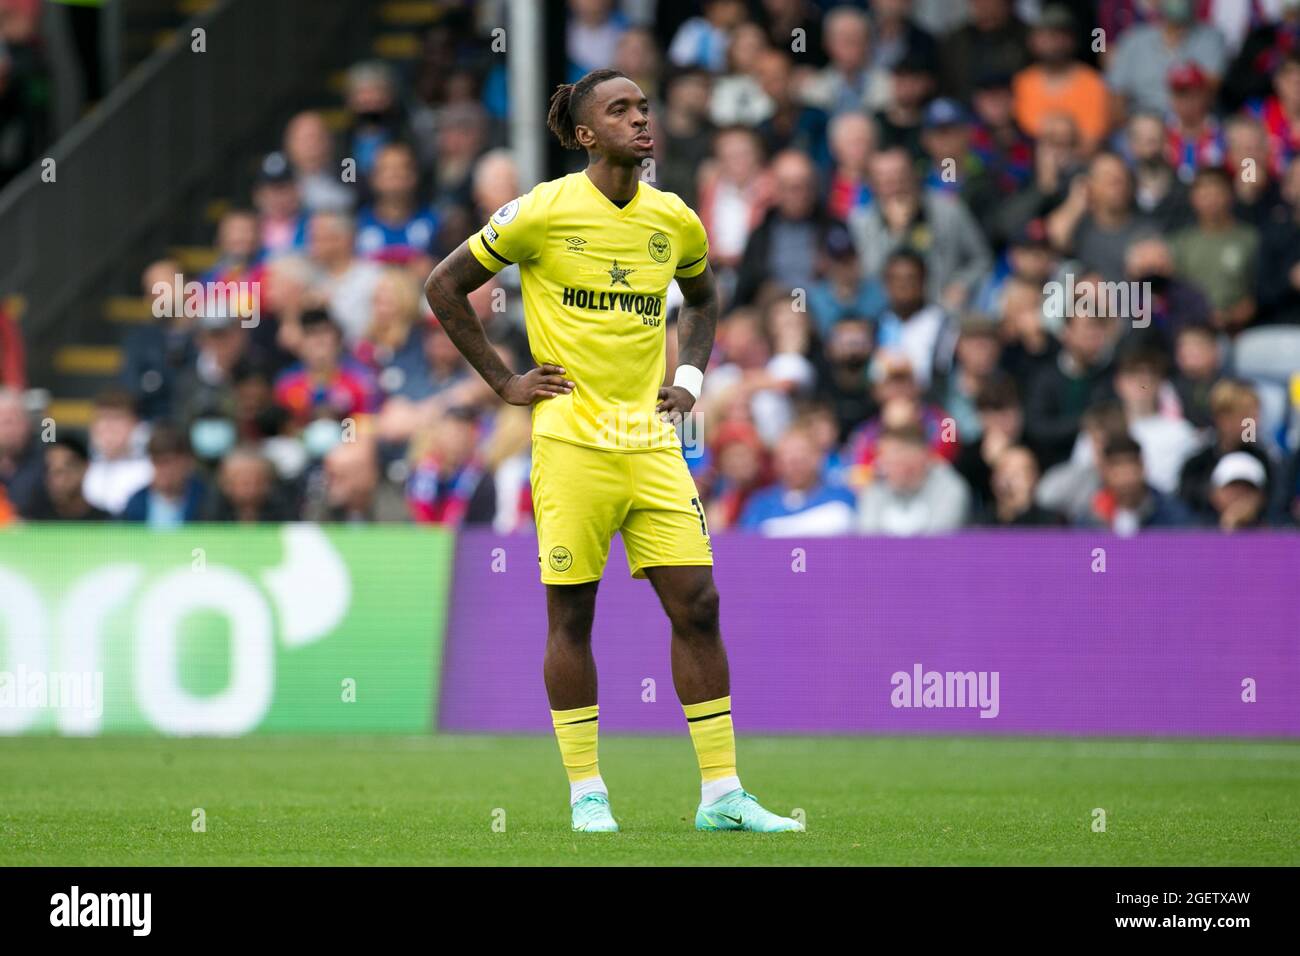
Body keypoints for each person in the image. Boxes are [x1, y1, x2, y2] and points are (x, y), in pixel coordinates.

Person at [422, 69, 802, 834]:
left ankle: (721, 793)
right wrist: (504, 381)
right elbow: (443, 286)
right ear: (586, 133)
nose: (640, 118)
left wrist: (688, 377)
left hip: (651, 442)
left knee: (698, 603)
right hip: (570, 444)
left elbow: (703, 298)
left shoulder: (675, 221)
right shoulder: (542, 211)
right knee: (573, 614)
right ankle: (586, 792)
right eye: (620, 110)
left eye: (644, 107)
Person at [120, 424, 207, 528]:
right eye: (157, 462)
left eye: (170, 462)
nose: (164, 471)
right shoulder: (136, 503)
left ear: (188, 463)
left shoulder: (206, 501)